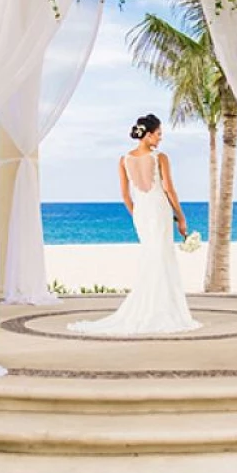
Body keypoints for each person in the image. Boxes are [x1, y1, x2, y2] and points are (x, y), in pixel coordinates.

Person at [68, 114, 201, 336]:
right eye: (158, 134)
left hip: (142, 212)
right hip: (158, 209)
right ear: (148, 135)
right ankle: (161, 310)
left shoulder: (124, 160)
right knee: (161, 258)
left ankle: (151, 308)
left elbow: (125, 195)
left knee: (152, 257)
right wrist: (181, 217)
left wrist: (136, 214)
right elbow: (169, 189)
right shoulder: (160, 157)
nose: (160, 139)